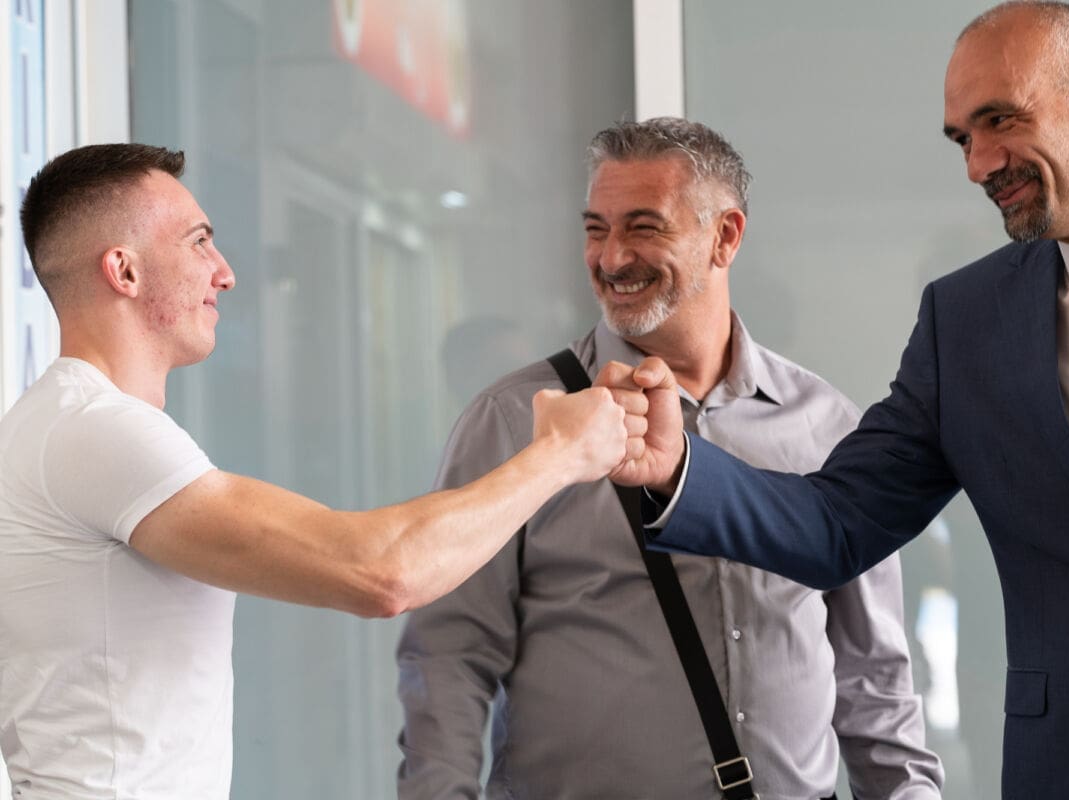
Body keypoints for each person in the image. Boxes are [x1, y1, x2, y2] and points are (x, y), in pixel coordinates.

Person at [604, 3, 1069, 799]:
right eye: (962, 139)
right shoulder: (966, 321)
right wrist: (680, 467)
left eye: (999, 121)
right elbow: (839, 522)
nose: (979, 165)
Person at [0, 143, 643, 800]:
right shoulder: (95, 432)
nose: (224, 273)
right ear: (124, 271)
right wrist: (561, 454)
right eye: (199, 242)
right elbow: (380, 572)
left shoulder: (63, 425)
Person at [396, 118, 944, 799]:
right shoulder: (516, 421)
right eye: (596, 229)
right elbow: (449, 653)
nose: (611, 257)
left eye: (643, 228)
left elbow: (873, 673)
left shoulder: (826, 424)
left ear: (726, 237)